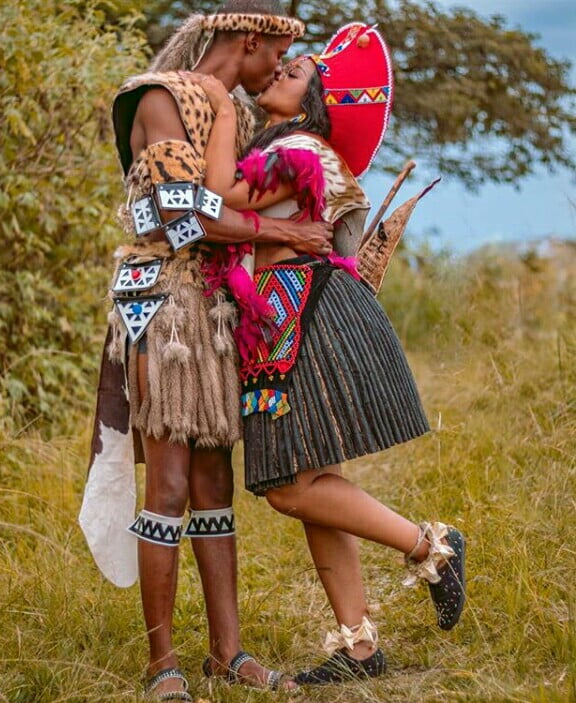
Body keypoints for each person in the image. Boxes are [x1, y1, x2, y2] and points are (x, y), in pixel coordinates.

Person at [191, 21, 466, 686]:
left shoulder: (302, 153)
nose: (277, 75)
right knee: (316, 481)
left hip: (304, 317)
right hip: (290, 316)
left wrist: (222, 105)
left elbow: (216, 199)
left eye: (293, 74)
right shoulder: (285, 143)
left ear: (312, 104)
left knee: (290, 486)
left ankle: (431, 546)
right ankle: (361, 646)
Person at [78, 2, 334, 700]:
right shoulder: (158, 96)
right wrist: (274, 230)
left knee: (214, 484)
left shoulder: (235, 114)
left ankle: (229, 653)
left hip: (215, 306)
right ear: (248, 40)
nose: (277, 72)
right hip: (160, 301)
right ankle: (162, 665)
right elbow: (182, 211)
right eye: (273, 60)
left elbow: (227, 201)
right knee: (166, 482)